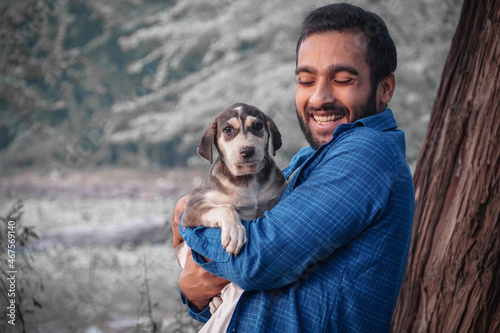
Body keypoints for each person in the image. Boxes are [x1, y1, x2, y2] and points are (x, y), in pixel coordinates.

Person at [171, 3, 415, 332]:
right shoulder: (305, 162)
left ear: (385, 88)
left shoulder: (368, 152)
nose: (319, 98)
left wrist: (189, 221)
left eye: (342, 79)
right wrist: (195, 292)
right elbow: (234, 294)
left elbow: (257, 261)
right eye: (305, 80)